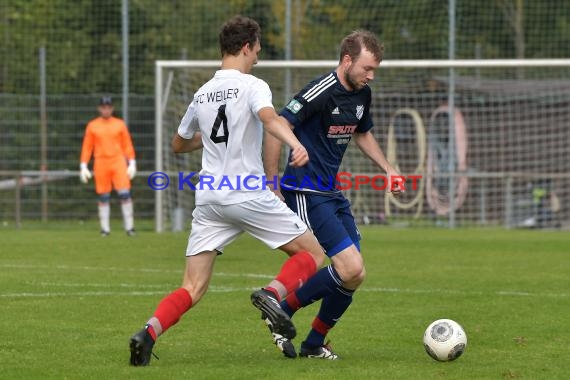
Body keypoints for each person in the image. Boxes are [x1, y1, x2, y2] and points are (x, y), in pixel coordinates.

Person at [128, 15, 325, 366]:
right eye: (258, 50)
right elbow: (269, 119)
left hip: (209, 199)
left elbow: (178, 144)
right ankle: (271, 295)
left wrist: (213, 139)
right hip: (246, 192)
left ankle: (149, 331)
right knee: (312, 254)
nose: (258, 57)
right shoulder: (253, 85)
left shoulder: (202, 92)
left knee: (193, 286)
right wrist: (295, 143)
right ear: (247, 47)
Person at [263, 30, 403, 359]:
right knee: (349, 267)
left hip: (331, 191)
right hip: (305, 189)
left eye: (375, 71)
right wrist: (272, 181)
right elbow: (276, 125)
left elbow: (363, 134)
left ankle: (312, 342)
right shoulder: (321, 90)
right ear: (347, 60)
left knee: (354, 274)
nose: (370, 76)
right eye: (367, 68)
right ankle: (281, 308)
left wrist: (387, 167)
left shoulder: (362, 94)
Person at [79, 96, 137, 237]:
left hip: (118, 161)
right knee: (103, 196)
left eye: (108, 107)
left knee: (124, 194)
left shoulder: (119, 124)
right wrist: (83, 165)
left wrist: (132, 162)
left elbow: (127, 144)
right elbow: (87, 147)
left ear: (112, 108)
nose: (106, 110)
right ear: (99, 108)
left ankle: (129, 228)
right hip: (101, 162)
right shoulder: (93, 125)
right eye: (103, 107)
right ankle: (105, 229)